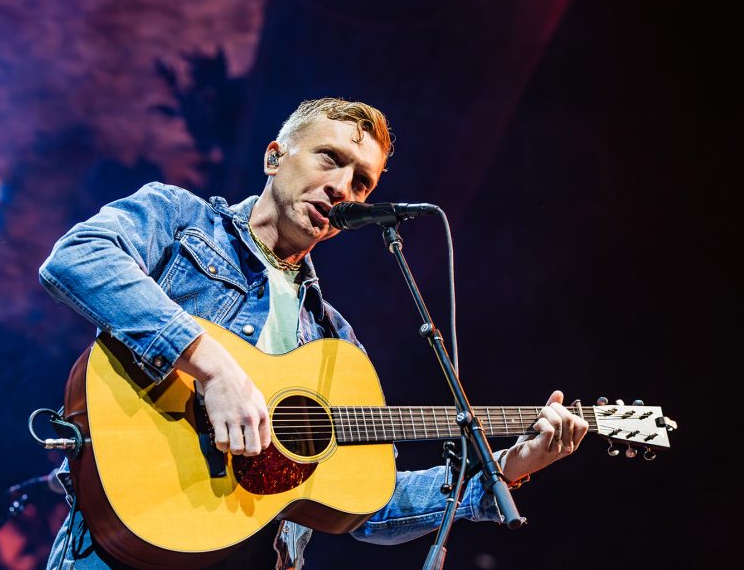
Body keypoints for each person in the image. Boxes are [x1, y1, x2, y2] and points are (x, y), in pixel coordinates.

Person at [39, 98, 588, 569]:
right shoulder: (184, 221)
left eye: (362, 181)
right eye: (332, 158)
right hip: (120, 547)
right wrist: (210, 364)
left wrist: (504, 471)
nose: (343, 187)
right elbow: (77, 259)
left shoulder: (335, 344)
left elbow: (370, 504)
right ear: (274, 157)